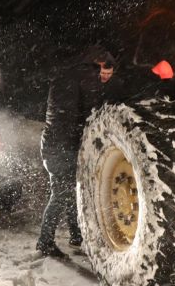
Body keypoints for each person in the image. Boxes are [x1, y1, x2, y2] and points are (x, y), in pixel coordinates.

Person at [37, 47, 118, 258]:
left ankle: (76, 236)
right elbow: (88, 113)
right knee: (62, 194)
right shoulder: (86, 78)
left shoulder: (69, 74)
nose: (104, 78)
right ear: (97, 65)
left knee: (70, 191)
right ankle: (45, 242)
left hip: (55, 143)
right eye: (103, 73)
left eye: (109, 75)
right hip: (62, 146)